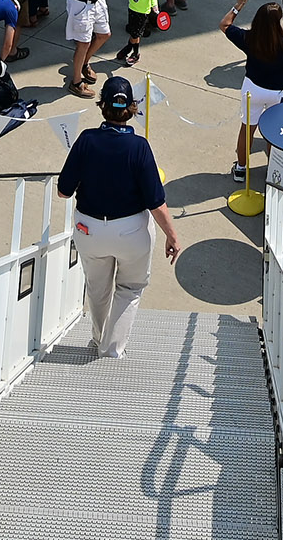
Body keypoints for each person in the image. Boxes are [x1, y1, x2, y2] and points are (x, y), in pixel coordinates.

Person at [55, 74, 183, 359]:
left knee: (98, 289)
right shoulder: (139, 147)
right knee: (130, 288)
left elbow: (64, 192)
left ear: (102, 106)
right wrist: (172, 236)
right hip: (130, 232)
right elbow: (156, 203)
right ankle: (111, 352)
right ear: (132, 109)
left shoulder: (86, 140)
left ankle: (99, 338)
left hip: (89, 229)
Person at [221, 0, 283, 181]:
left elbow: (225, 25)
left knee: (247, 129)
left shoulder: (249, 38)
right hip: (278, 93)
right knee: (274, 133)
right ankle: (274, 171)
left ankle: (241, 168)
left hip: (253, 90)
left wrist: (238, 5)